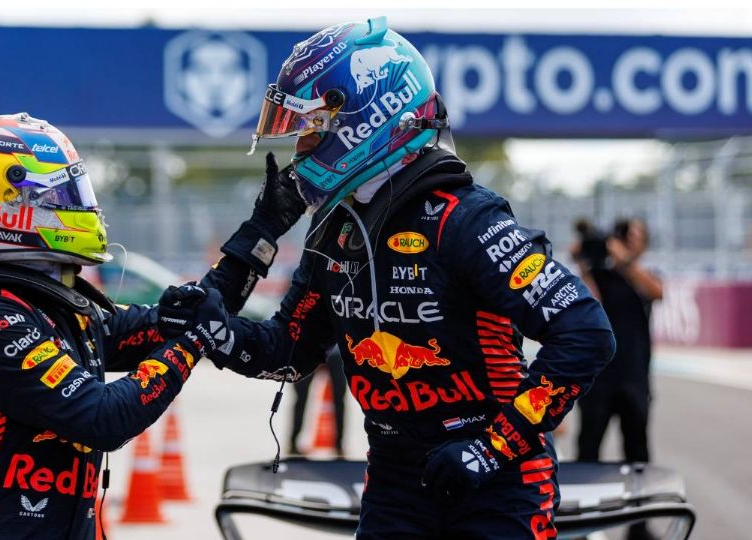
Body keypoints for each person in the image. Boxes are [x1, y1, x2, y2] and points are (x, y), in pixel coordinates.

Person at [159, 17, 615, 539]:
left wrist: (494, 448)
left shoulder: (465, 219)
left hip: (499, 479)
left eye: (310, 129)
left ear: (365, 117)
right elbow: (289, 352)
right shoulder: (333, 230)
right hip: (396, 479)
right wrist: (212, 330)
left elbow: (586, 332)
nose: (300, 148)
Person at [0, 112, 304, 539]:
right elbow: (102, 417)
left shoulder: (58, 309)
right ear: (1, 209)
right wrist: (193, 341)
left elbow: (192, 317)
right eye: (58, 197)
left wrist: (265, 227)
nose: (77, 207)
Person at [576, 218, 663, 463]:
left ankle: (641, 500)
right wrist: (584, 262)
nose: (628, 241)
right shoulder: (600, 275)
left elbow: (657, 292)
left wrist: (625, 260)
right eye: (626, 236)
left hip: (634, 376)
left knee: (637, 450)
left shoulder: (645, 276)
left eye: (635, 237)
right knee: (588, 449)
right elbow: (587, 302)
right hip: (598, 376)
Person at [288, 345, 346, 456]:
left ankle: (339, 444)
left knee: (339, 398)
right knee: (300, 397)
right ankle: (293, 442)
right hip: (309, 350)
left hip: (336, 353)